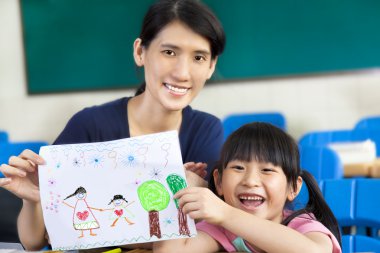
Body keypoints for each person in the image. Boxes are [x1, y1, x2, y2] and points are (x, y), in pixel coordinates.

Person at [0, 0, 225, 250]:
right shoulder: (89, 125)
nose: (183, 72)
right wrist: (34, 200)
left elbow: (210, 233)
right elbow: (33, 242)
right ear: (140, 52)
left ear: (211, 66)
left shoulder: (206, 129)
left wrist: (202, 187)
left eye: (199, 57)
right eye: (169, 52)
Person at [154, 122, 342, 253]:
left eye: (267, 170)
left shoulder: (301, 224)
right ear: (219, 182)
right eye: (238, 168)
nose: (250, 181)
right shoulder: (221, 229)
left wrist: (225, 213)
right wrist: (176, 192)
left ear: (293, 187)